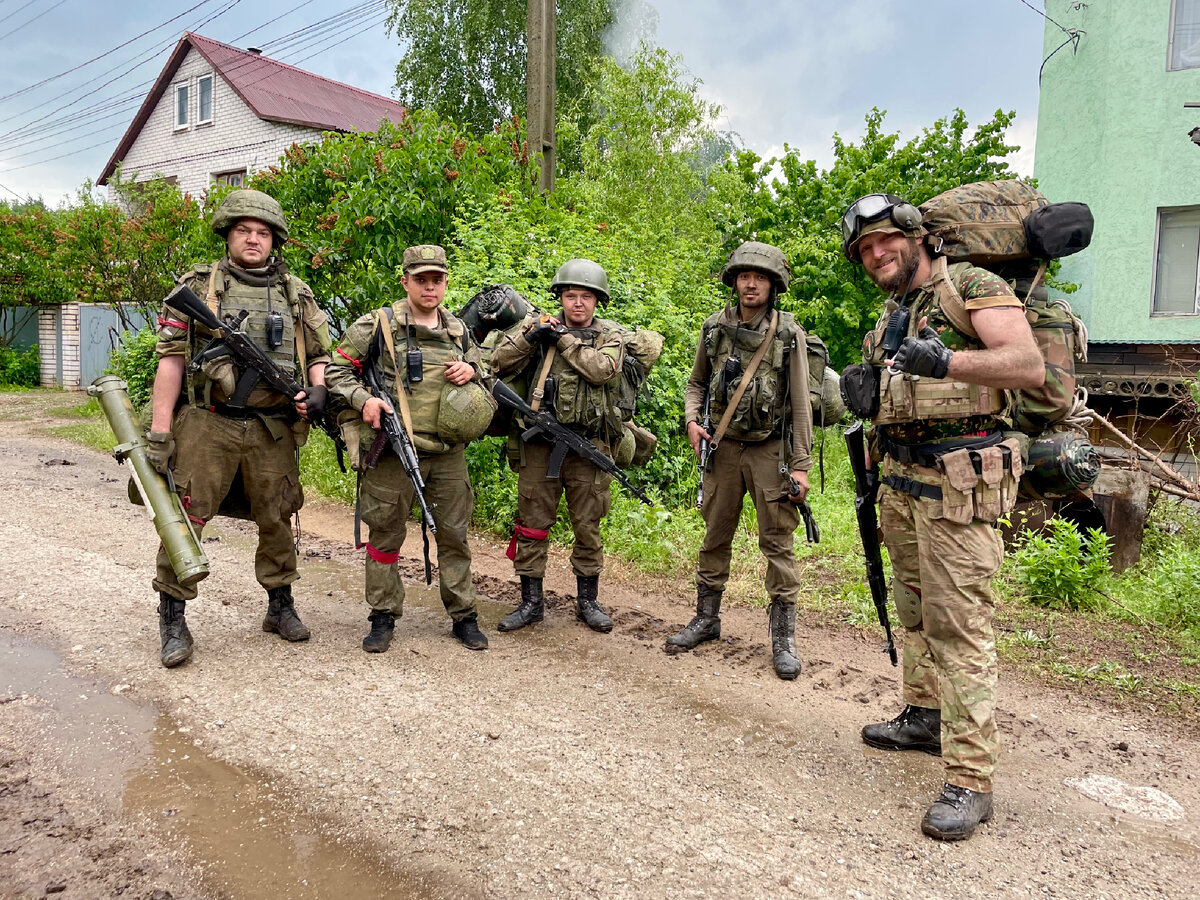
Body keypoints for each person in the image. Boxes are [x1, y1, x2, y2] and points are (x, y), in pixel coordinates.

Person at [839, 192, 1044, 841]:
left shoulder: (970, 287)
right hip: (900, 482)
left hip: (959, 486)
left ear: (916, 237)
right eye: (865, 249)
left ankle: (971, 780)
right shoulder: (892, 314)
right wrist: (866, 398)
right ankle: (924, 716)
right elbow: (892, 396)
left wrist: (949, 360)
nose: (876, 254)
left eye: (885, 241)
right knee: (915, 611)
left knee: (959, 629)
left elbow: (1028, 365)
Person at [145, 189, 331, 668]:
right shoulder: (199, 286)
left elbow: (319, 353)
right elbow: (171, 361)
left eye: (262, 233)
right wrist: (160, 432)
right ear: (227, 235)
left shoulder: (296, 292)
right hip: (208, 424)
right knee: (188, 515)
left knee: (278, 514)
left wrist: (317, 391)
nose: (253, 239)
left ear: (274, 240)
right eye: (243, 231)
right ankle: (173, 615)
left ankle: (280, 604)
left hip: (272, 426)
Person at [325, 244, 493, 653]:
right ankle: (382, 615)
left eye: (437, 280)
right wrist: (364, 400)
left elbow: (487, 371)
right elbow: (336, 369)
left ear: (446, 283)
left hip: (447, 454)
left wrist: (472, 369)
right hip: (394, 452)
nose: (429, 287)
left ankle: (464, 616)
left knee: (454, 537)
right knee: (385, 535)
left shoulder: (458, 330)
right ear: (406, 282)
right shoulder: (378, 324)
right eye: (421, 280)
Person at [666, 242, 813, 680]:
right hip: (724, 447)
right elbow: (696, 383)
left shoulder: (788, 333)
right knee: (715, 534)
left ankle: (783, 639)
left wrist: (800, 466)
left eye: (760, 277)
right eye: (744, 276)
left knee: (778, 543)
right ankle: (706, 619)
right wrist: (692, 421)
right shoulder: (715, 327)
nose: (751, 284)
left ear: (773, 285)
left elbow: (801, 404)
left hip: (770, 450)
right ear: (734, 281)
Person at [489, 259, 629, 634]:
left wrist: (563, 339)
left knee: (588, 525)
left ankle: (588, 602)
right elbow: (495, 363)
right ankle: (531, 602)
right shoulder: (539, 328)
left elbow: (601, 370)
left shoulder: (611, 336)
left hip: (588, 445)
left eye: (586, 297)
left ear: (598, 301)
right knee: (532, 523)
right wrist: (531, 337)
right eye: (570, 295)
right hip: (538, 443)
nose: (577, 303)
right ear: (561, 297)